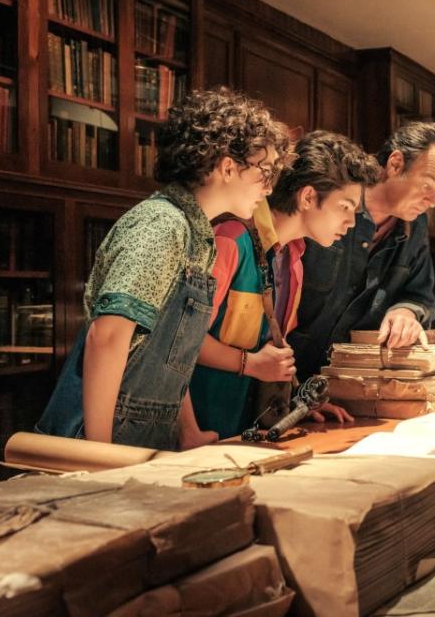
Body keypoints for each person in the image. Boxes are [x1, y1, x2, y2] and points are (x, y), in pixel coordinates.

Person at [35, 87, 289, 450]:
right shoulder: (162, 224)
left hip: (145, 437)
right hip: (96, 439)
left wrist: (188, 430)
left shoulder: (196, 235)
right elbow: (106, 337)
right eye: (265, 171)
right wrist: (99, 454)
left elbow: (173, 348)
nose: (269, 188)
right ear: (227, 167)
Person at [190, 130, 382, 438]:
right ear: (307, 197)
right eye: (345, 207)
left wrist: (299, 405)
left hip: (244, 432)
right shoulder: (231, 239)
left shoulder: (294, 257)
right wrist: (249, 364)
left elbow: (269, 348)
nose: (350, 223)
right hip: (201, 433)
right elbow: (179, 342)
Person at [288, 122, 435, 381]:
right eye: (427, 185)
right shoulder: (332, 201)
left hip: (348, 383)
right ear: (396, 164)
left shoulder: (416, 226)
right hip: (280, 375)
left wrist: (406, 312)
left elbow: (421, 295)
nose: (433, 202)